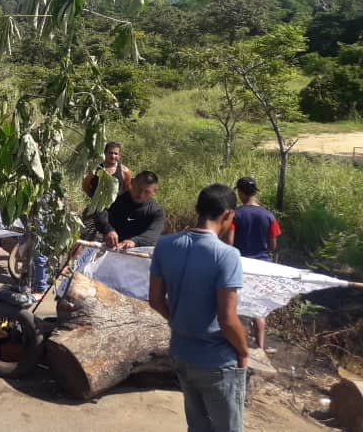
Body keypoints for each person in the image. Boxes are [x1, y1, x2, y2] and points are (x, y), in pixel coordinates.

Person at [149, 184, 249, 432]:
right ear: (227, 214)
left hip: (182, 352)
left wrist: (180, 321)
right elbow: (227, 320)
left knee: (197, 426)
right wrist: (244, 351)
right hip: (216, 361)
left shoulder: (165, 245)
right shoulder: (227, 255)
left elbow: (155, 300)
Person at [229, 176, 281, 351]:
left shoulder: (235, 214)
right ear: (255, 192)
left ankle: (238, 344)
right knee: (258, 307)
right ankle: (259, 346)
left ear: (240, 193)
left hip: (240, 265)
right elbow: (273, 245)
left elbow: (229, 242)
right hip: (263, 266)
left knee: (236, 305)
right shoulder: (268, 215)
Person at [94, 170, 165, 249]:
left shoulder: (156, 212)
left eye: (147, 192)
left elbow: (153, 234)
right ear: (132, 182)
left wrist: (134, 241)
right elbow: (99, 214)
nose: (141, 194)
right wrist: (108, 230)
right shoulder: (114, 200)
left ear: (154, 191)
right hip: (110, 248)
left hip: (136, 254)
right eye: (139, 188)